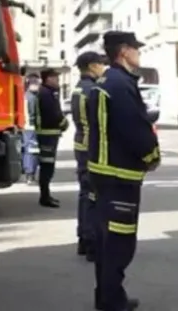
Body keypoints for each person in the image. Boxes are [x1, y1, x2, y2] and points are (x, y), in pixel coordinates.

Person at [86, 31, 160, 311]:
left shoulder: (108, 80)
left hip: (105, 174)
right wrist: (151, 156)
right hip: (119, 175)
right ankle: (112, 301)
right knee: (119, 242)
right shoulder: (119, 84)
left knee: (108, 241)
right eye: (136, 49)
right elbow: (134, 128)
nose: (139, 54)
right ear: (124, 51)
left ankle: (106, 296)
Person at [71, 51, 107, 262]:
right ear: (92, 66)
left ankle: (84, 239)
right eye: (101, 64)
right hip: (91, 150)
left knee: (85, 195)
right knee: (93, 196)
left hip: (81, 147)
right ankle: (92, 242)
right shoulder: (92, 90)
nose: (103, 67)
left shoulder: (79, 89)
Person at [35, 68, 68, 208]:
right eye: (55, 78)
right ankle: (44, 197)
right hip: (47, 134)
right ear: (48, 78)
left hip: (49, 133)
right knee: (47, 167)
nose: (58, 81)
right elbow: (53, 113)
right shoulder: (46, 93)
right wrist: (64, 123)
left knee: (48, 166)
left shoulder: (47, 92)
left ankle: (46, 195)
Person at [22, 76, 41, 183]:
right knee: (32, 151)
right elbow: (33, 114)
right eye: (37, 84)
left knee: (28, 150)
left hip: (26, 127)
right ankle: (30, 174)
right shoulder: (32, 98)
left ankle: (29, 173)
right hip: (31, 128)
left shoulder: (26, 96)